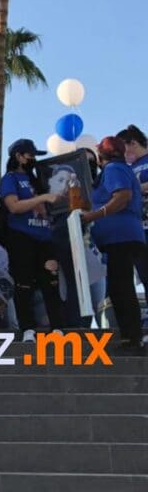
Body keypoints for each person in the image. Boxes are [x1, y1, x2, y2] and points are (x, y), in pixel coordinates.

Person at [82, 137, 145, 354]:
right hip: (120, 238)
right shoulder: (118, 169)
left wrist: (94, 215)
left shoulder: (114, 170)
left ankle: (132, 338)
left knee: (122, 287)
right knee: (119, 287)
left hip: (122, 237)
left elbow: (123, 196)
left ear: (101, 155)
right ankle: (131, 336)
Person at [0, 139, 65, 343]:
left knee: (50, 281)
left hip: (45, 237)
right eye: (30, 155)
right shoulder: (10, 178)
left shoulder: (38, 180)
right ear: (18, 156)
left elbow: (50, 207)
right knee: (24, 283)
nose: (33, 159)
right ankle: (28, 329)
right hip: (21, 237)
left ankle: (57, 328)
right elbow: (14, 206)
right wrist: (42, 198)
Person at [117, 124, 148, 288]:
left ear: (133, 143)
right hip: (138, 230)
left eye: (123, 150)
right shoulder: (129, 169)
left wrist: (136, 189)